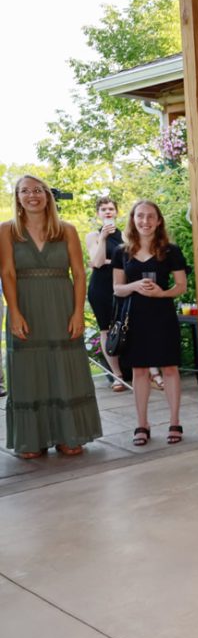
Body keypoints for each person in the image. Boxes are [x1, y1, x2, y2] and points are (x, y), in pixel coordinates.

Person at [1, 175, 102, 458]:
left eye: (37, 190)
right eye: (24, 191)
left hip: (61, 307)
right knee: (28, 371)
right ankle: (32, 439)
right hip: (26, 308)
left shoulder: (66, 230)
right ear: (17, 198)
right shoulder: (7, 230)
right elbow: (7, 273)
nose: (32, 195)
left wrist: (78, 313)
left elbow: (80, 274)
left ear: (47, 196)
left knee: (65, 368)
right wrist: (15, 312)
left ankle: (68, 435)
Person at [111, 201, 188, 446]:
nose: (145, 221)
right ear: (133, 219)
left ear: (158, 221)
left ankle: (174, 421)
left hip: (162, 314)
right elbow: (117, 289)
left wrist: (161, 293)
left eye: (150, 217)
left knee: (170, 368)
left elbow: (181, 286)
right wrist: (134, 286)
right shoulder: (121, 252)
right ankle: (142, 424)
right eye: (140, 216)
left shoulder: (170, 250)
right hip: (134, 316)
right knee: (140, 371)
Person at [85, 196, 127, 391]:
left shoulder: (127, 235)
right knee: (106, 330)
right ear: (98, 214)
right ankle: (117, 374)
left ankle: (144, 371)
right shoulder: (92, 236)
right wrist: (102, 238)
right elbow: (98, 261)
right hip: (100, 287)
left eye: (111, 208)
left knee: (131, 325)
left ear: (116, 212)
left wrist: (107, 262)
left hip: (123, 285)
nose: (108, 212)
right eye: (103, 209)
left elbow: (132, 262)